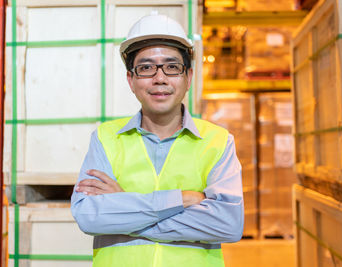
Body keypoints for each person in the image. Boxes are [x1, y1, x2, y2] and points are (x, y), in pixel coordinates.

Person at [71, 13, 244, 267]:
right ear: (131, 79)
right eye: (146, 67)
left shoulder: (218, 141)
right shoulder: (105, 138)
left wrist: (125, 205)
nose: (160, 78)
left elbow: (228, 224)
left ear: (189, 77)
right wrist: (182, 200)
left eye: (172, 67)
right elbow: (89, 217)